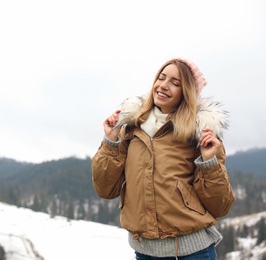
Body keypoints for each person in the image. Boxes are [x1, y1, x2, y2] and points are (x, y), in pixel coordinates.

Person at [91, 58, 236, 260]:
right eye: (161, 77)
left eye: (176, 83)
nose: (164, 86)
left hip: (193, 253)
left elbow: (220, 206)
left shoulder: (201, 134)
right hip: (145, 253)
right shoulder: (131, 128)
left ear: (187, 93)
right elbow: (105, 189)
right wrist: (110, 140)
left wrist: (209, 162)